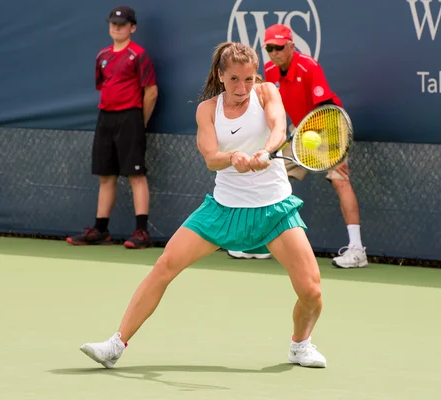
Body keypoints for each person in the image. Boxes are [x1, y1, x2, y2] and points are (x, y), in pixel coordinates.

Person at [79, 41, 327, 369]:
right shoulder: (207, 110)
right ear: (221, 76)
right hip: (223, 210)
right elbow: (211, 158)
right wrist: (233, 157)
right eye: (235, 79)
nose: (243, 87)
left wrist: (267, 150)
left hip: (274, 209)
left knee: (311, 291)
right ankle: (115, 344)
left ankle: (300, 345)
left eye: (249, 79)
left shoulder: (267, 92)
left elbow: (279, 127)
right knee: (165, 266)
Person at [227, 24, 368, 269]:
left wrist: (337, 150)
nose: (274, 53)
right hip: (299, 132)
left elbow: (325, 109)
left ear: (291, 46)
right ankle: (259, 243)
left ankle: (357, 250)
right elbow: (273, 109)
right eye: (269, 48)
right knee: (272, 177)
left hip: (328, 128)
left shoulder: (308, 66)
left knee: (340, 179)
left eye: (279, 48)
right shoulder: (270, 70)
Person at [67, 6, 158, 249]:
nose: (117, 28)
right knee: (106, 176)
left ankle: (141, 232)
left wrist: (141, 121)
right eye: (113, 24)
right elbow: (105, 86)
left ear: (132, 27)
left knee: (136, 175)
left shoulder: (139, 55)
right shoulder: (102, 56)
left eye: (122, 24)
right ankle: (100, 229)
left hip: (131, 118)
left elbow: (151, 92)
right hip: (105, 118)